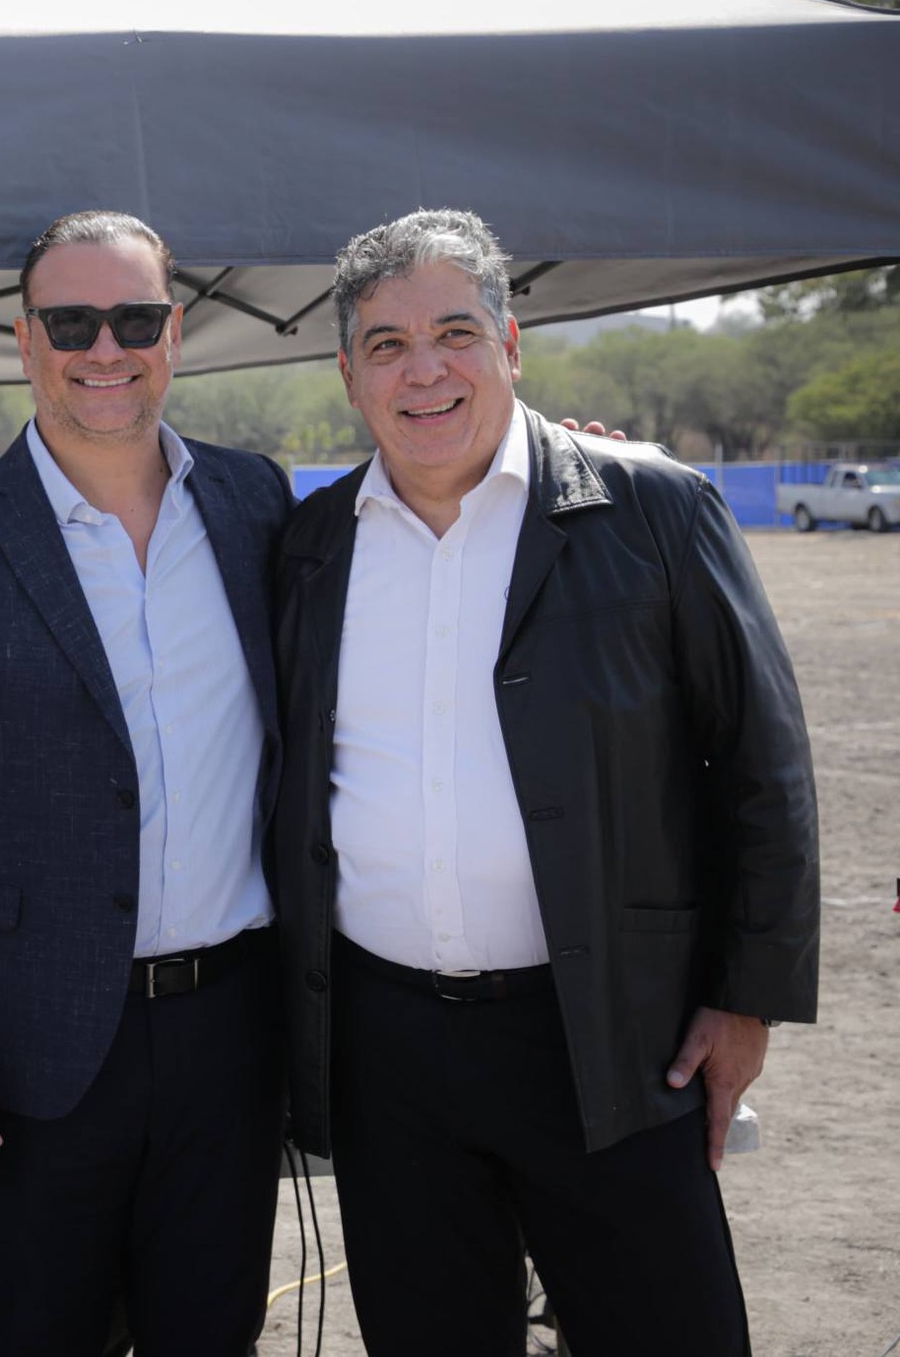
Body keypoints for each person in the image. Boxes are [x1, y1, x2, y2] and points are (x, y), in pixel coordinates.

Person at [271, 208, 820, 1355]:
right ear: (345, 372)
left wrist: (746, 995)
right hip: (390, 1058)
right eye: (384, 345)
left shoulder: (650, 509)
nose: (422, 371)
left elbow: (760, 763)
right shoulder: (307, 546)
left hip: (608, 1035)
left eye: (454, 333)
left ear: (511, 344)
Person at [0, 211, 290, 1355]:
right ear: (23, 338)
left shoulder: (258, 508)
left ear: (175, 334)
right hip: (27, 1050)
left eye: (134, 318)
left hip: (231, 1032)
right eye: (72, 321)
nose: (105, 347)